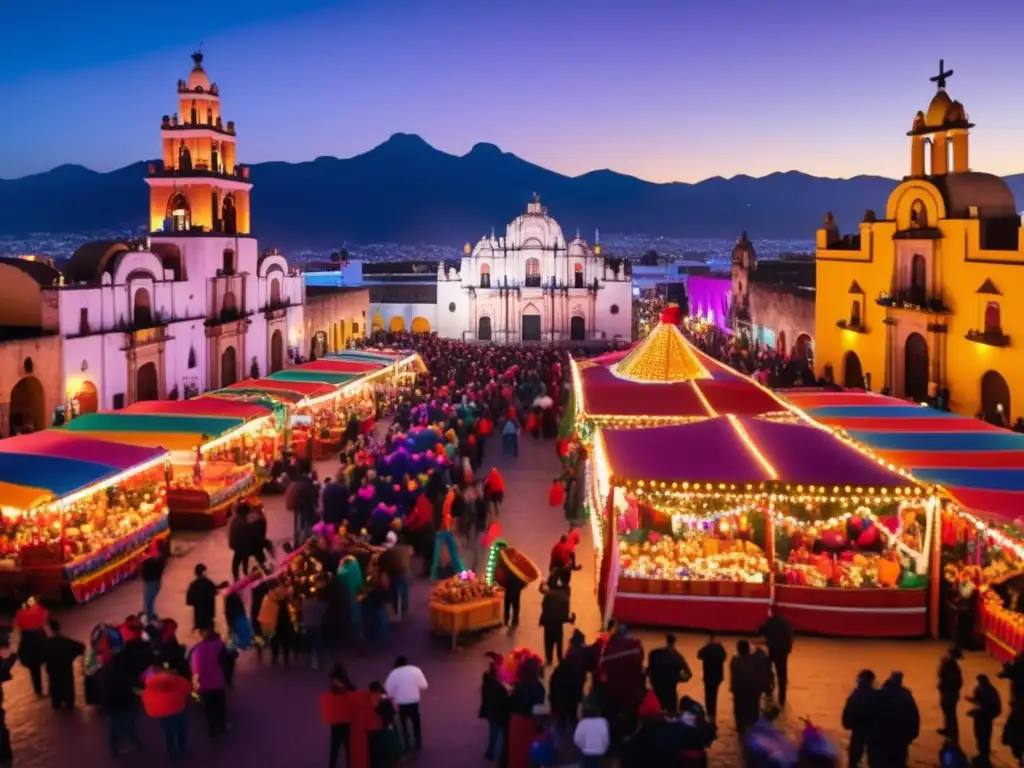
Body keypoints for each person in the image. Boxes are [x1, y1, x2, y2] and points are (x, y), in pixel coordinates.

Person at [141, 659, 192, 759]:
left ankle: (171, 752)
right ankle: (182, 748)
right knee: (181, 729)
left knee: (169, 732)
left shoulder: (151, 681)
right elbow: (186, 688)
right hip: (177, 706)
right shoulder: (174, 678)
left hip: (163, 711)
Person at [866, 672, 920, 767]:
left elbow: (872, 715)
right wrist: (912, 733)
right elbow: (914, 716)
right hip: (900, 737)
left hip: (884, 737)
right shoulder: (906, 695)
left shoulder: (881, 694)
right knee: (899, 761)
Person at [99, 641, 143, 755]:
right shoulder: (127, 668)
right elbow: (133, 684)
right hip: (126, 700)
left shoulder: (107, 669)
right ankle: (134, 742)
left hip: (113, 702)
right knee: (129, 723)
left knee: (115, 724)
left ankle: (115, 746)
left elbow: (103, 687)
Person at [384, 655, 428, 753]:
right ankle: (418, 743)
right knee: (416, 722)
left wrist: (393, 696)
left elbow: (388, 688)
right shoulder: (416, 670)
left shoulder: (394, 673)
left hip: (401, 702)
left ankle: (407, 744)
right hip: (414, 701)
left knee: (403, 724)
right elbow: (424, 685)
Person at [190, 628, 229, 738]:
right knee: (220, 706)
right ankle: (223, 726)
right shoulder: (219, 645)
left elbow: (197, 670)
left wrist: (195, 685)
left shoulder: (199, 650)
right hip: (218, 681)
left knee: (209, 708)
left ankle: (213, 730)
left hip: (205, 684)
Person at [42, 620, 84, 710]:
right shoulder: (65, 640)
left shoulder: (47, 643)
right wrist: (71, 657)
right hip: (65, 669)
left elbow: (40, 657)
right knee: (67, 688)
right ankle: (68, 702)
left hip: (53, 671)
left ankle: (58, 703)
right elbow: (81, 647)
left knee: (55, 688)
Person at [647, 632, 692, 715]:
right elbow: (688, 675)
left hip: (657, 690)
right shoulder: (678, 657)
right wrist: (677, 678)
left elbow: (648, 671)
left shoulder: (655, 654)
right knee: (672, 714)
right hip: (670, 692)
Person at [13, 595, 48, 696]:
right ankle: (51, 688)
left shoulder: (20, 613)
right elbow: (44, 620)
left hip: (27, 640)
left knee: (34, 669)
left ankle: (38, 690)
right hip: (38, 638)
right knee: (48, 664)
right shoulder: (38, 610)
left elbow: (18, 625)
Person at [841, 669, 876, 767]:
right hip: (868, 730)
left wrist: (846, 723)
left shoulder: (856, 694)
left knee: (855, 755)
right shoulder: (874, 695)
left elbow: (848, 710)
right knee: (869, 755)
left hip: (861, 729)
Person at [758, 611, 794, 707]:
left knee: (768, 672)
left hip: (771, 650)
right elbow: (790, 638)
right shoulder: (786, 623)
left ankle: (768, 691)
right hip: (782, 653)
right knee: (782, 676)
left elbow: (761, 630)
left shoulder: (769, 622)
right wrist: (787, 650)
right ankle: (782, 698)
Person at [479, 653, 510, 763]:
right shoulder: (500, 685)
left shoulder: (487, 678)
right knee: (502, 733)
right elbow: (505, 694)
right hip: (500, 711)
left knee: (493, 731)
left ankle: (490, 752)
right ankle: (501, 755)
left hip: (491, 711)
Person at [966, 673, 1001, 767]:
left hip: (983, 718)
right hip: (988, 718)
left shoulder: (981, 690)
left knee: (981, 737)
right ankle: (984, 756)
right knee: (985, 737)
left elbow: (980, 703)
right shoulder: (991, 690)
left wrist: (973, 711)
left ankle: (983, 758)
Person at [539, 573, 574, 666]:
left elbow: (544, 606)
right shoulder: (564, 596)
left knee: (548, 641)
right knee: (559, 641)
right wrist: (570, 619)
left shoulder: (548, 594)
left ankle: (549, 659)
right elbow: (564, 616)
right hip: (558, 624)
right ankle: (560, 658)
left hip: (548, 622)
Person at [729, 639, 761, 737]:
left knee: (739, 709)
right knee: (753, 708)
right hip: (753, 689)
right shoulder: (755, 660)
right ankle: (753, 726)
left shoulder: (735, 661)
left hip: (739, 689)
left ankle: (740, 727)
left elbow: (733, 676)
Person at [696, 633, 726, 723]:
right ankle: (713, 714)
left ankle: (710, 714)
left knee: (708, 695)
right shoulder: (720, 647)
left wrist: (706, 645)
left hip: (708, 675)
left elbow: (699, 655)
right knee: (714, 694)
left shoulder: (707, 648)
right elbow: (724, 657)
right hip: (717, 676)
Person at [938, 646, 963, 745]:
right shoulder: (949, 664)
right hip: (947, 691)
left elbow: (953, 681)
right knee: (946, 712)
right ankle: (948, 729)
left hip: (950, 693)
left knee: (950, 714)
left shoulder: (952, 667)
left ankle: (952, 734)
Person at [186, 564, 218, 631]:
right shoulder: (208, 582)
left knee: (201, 623)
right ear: (203, 572)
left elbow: (190, 599)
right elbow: (215, 591)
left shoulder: (193, 584)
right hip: (208, 609)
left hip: (199, 611)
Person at [140, 539, 167, 618]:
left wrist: (145, 559)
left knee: (149, 600)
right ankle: (148, 615)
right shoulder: (159, 558)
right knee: (149, 600)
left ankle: (149, 617)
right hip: (155, 581)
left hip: (151, 582)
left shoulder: (154, 560)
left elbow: (148, 566)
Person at [228, 504, 251, 580]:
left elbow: (233, 534)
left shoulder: (236, 520)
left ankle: (236, 578)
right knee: (244, 562)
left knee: (236, 563)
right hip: (245, 546)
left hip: (239, 546)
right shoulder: (247, 520)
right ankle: (246, 575)